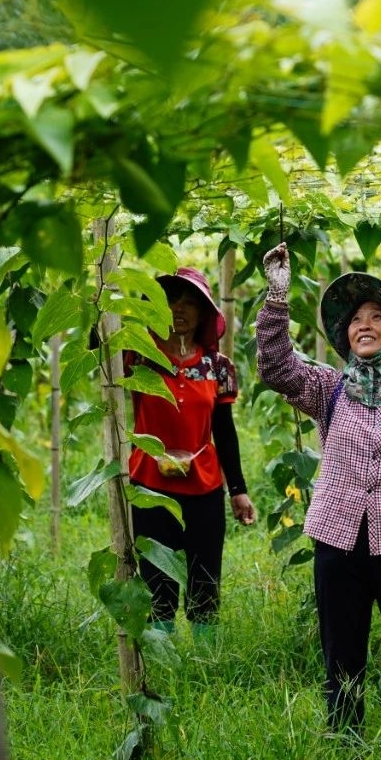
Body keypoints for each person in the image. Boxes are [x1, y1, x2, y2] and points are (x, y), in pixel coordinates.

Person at [255, 242, 381, 737]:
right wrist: (277, 296)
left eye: (375, 317)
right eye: (355, 320)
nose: (363, 325)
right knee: (342, 655)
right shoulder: (330, 386)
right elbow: (276, 368)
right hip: (337, 537)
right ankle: (345, 740)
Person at [125, 266, 256, 637]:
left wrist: (238, 490)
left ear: (203, 314)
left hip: (204, 487)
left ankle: (204, 659)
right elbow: (95, 342)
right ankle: (160, 656)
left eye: (188, 304)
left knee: (204, 576)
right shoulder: (138, 357)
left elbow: (224, 431)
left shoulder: (218, 367)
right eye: (169, 302)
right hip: (149, 484)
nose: (179, 310)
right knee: (156, 577)